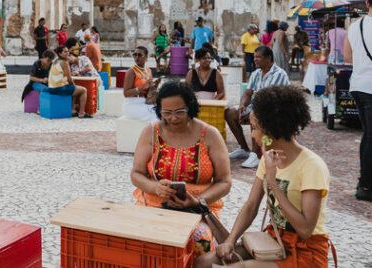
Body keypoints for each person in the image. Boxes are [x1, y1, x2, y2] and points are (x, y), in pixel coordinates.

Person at [196, 86, 333, 268]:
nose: (252, 134)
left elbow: (306, 229)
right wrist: (230, 240)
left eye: (254, 128)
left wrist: (273, 182)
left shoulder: (311, 166)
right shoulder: (269, 159)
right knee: (204, 263)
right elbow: (251, 206)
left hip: (305, 251)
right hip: (275, 241)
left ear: (270, 130)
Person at [131, 81, 231, 261]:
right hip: (154, 204)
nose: (173, 118)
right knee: (145, 242)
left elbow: (224, 182)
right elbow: (136, 174)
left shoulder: (210, 135)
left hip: (198, 210)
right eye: (166, 113)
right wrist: (155, 188)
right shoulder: (151, 132)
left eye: (179, 112)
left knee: (200, 240)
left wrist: (199, 201)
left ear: (190, 107)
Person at [226, 46, 290, 169]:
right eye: (254, 57)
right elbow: (247, 93)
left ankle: (255, 155)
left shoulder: (279, 74)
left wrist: (250, 112)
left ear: (268, 58)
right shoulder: (256, 73)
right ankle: (244, 149)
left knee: (256, 114)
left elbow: (270, 99)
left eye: (258, 57)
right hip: (257, 105)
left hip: (275, 108)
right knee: (230, 112)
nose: (255, 60)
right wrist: (242, 106)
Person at [344, 0, 372, 202]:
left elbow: (347, 57)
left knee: (368, 134)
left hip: (359, 85)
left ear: (367, 3)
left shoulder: (356, 26)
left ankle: (365, 182)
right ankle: (365, 184)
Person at [48, 45, 89, 118]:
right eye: (65, 52)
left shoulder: (56, 61)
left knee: (73, 88)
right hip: (59, 88)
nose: (67, 53)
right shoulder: (64, 63)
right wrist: (74, 86)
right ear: (60, 54)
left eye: (68, 51)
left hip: (52, 88)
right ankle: (82, 113)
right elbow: (69, 78)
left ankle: (72, 110)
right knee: (83, 90)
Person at [123, 46, 158, 123]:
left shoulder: (148, 70)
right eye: (135, 55)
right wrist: (141, 88)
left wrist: (154, 86)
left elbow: (150, 86)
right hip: (132, 104)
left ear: (146, 57)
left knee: (162, 112)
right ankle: (155, 135)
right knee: (155, 117)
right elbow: (126, 93)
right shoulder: (131, 72)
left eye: (139, 55)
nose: (136, 57)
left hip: (146, 101)